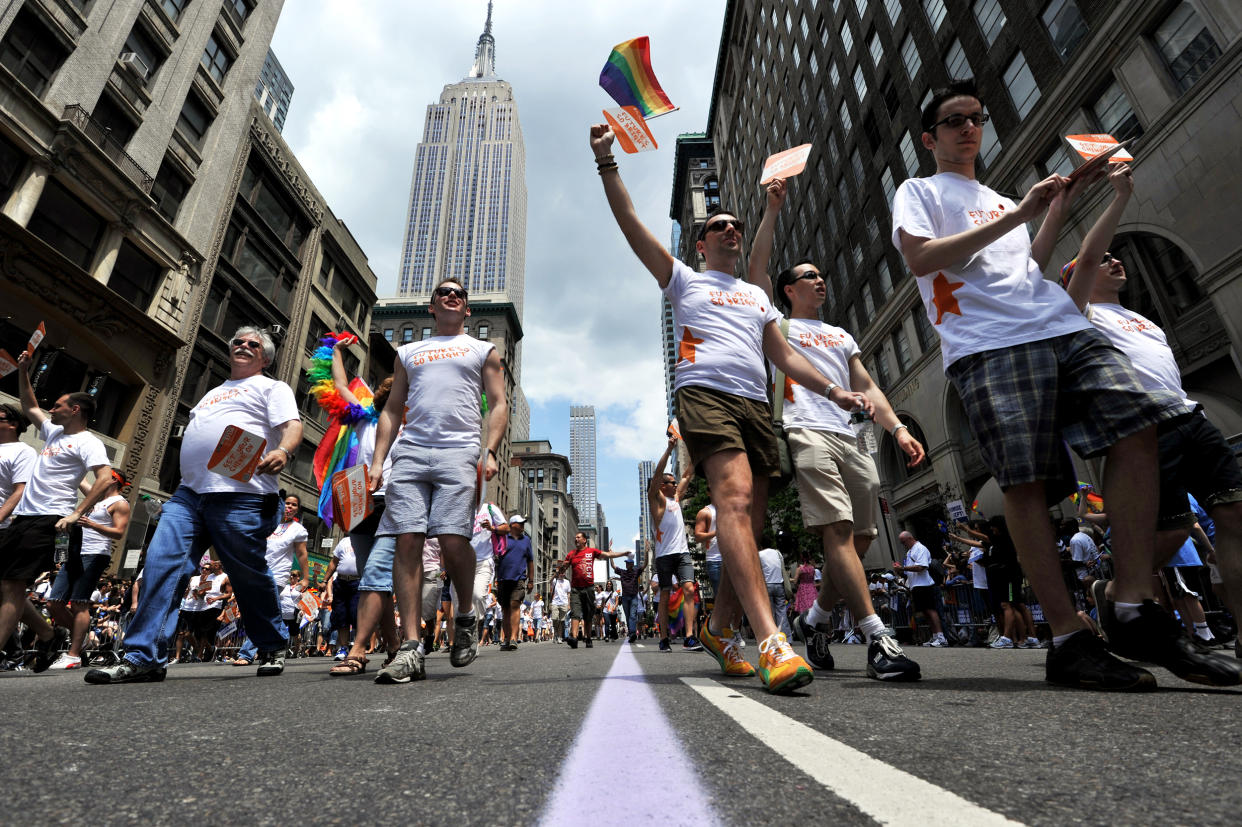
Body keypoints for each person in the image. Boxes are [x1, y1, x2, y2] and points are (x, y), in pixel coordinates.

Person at [890, 78, 1228, 689]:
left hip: (1056, 323)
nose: (969, 127)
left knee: (1141, 417)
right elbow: (921, 260)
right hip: (989, 346)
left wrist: (1053, 212)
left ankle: (1131, 605)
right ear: (929, 138)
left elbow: (1028, 267)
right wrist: (1021, 212)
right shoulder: (919, 191)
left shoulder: (995, 197)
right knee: (1027, 483)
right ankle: (1069, 638)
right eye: (954, 121)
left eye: (976, 117)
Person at [591, 122, 861, 693]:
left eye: (736, 224)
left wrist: (833, 389)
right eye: (720, 225)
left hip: (755, 407)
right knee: (733, 503)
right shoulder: (684, 279)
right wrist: (606, 163)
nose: (731, 229)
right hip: (704, 398)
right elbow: (629, 225)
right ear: (700, 242)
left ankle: (718, 630)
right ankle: (771, 641)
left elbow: (784, 356)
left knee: (751, 525)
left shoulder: (758, 296)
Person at [1061, 164, 1242, 676]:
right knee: (1172, 529)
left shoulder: (1144, 319)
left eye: (1116, 258)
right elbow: (1091, 252)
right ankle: (1118, 594)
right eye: (1100, 261)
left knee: (1234, 517)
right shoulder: (1077, 313)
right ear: (1074, 279)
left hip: (1191, 416)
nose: (1112, 261)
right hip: (1142, 430)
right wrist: (1117, 199)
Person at [749, 179, 924, 681]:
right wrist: (772, 209)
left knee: (861, 538)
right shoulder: (778, 324)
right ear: (788, 290)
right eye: (810, 277)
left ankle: (818, 618)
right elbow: (757, 269)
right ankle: (877, 637)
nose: (821, 282)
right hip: (806, 430)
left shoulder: (842, 333)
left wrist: (896, 431)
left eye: (823, 277)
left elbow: (866, 385)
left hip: (853, 435)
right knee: (840, 532)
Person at [86, 326, 302, 683]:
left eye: (254, 344)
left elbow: (292, 427)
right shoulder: (213, 393)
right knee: (161, 564)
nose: (244, 346)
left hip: (243, 497)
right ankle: (144, 656)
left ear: (265, 358)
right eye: (238, 342)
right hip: (189, 494)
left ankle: (272, 643)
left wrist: (282, 449)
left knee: (247, 573)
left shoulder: (272, 388)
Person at [370, 279, 508, 684]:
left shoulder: (482, 349)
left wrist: (491, 450)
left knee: (452, 541)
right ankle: (412, 647)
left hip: (459, 452)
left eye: (459, 294)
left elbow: (499, 402)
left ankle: (465, 612)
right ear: (432, 307)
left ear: (466, 310)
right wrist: (379, 460)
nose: (452, 296)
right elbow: (393, 409)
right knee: (408, 539)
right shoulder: (408, 352)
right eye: (443, 293)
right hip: (410, 453)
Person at [1, 354, 115, 673]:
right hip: (23, 519)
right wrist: (24, 371)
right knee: (6, 585)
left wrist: (78, 512)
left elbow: (104, 478)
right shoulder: (53, 433)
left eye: (59, 405)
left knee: (13, 585)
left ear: (75, 410)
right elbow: (30, 405)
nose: (52, 408)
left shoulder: (87, 442)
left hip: (51, 518)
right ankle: (49, 634)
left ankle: (46, 640)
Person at [312, 333, 400, 676]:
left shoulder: (415, 427)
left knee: (375, 574)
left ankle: (359, 648)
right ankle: (393, 647)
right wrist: (333, 351)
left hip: (394, 505)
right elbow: (339, 384)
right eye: (391, 394)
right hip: (360, 503)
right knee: (374, 578)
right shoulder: (364, 419)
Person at [46, 471, 131, 670]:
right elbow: (80, 480)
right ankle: (82, 637)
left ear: (112, 481)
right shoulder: (97, 498)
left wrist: (92, 524)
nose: (97, 479)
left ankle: (73, 655)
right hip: (75, 552)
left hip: (95, 553)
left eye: (102, 476)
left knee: (79, 602)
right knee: (54, 603)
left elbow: (119, 533)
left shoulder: (120, 503)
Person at [235, 493, 309, 667]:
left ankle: (247, 653)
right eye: (287, 504)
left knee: (263, 611)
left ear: (297, 509)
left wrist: (306, 578)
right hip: (256, 572)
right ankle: (277, 641)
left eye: (294, 505)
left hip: (278, 575)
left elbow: (302, 554)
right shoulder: (267, 522)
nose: (289, 507)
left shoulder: (297, 529)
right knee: (263, 613)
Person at [648, 438, 701, 652]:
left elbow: (688, 474)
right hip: (664, 556)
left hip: (683, 554)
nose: (676, 485)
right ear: (663, 486)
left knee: (689, 589)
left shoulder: (676, 499)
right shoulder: (657, 500)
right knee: (665, 594)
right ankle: (663, 638)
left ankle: (689, 636)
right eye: (672, 483)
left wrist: (699, 451)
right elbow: (656, 477)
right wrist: (669, 448)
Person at [553, 532, 628, 649]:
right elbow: (562, 569)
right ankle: (574, 637)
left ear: (584, 540)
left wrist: (623, 554)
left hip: (588, 589)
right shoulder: (571, 554)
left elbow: (607, 554)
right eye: (575, 537)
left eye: (578, 537)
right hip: (575, 589)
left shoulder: (592, 551)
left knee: (588, 615)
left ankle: (588, 638)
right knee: (575, 613)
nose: (576, 539)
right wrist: (562, 567)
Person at [894, 532, 946, 647]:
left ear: (910, 538)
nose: (903, 545)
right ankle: (935, 636)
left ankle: (941, 636)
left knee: (930, 610)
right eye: (901, 543)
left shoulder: (920, 548)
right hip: (916, 586)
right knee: (925, 612)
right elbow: (908, 574)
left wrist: (903, 567)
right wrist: (900, 571)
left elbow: (921, 567)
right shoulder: (909, 552)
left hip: (925, 585)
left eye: (904, 542)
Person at [495, 515, 534, 651]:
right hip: (502, 579)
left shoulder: (526, 541)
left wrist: (531, 580)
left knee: (515, 605)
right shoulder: (502, 538)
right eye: (520, 523)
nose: (523, 525)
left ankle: (513, 638)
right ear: (512, 525)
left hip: (519, 579)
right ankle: (506, 639)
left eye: (523, 523)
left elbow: (530, 561)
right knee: (505, 609)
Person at [323, 535, 361, 660]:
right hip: (341, 582)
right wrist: (325, 580)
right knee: (341, 615)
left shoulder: (366, 539)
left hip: (358, 582)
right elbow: (334, 562)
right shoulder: (344, 541)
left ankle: (358, 647)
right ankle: (343, 648)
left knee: (357, 615)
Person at [693, 501, 723, 598]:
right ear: (709, 492)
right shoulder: (705, 512)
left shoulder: (732, 507)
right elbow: (698, 536)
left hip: (733, 559)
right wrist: (717, 532)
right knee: (721, 598)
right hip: (715, 560)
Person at [615, 552, 646, 644]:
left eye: (629, 563)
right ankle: (631, 633)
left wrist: (647, 552)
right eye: (626, 563)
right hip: (624, 597)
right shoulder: (622, 572)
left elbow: (645, 565)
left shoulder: (636, 571)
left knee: (632, 616)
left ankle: (632, 633)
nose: (627, 564)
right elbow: (613, 566)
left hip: (633, 597)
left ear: (632, 564)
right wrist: (610, 555)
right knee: (628, 616)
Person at [550, 570, 570, 643]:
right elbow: (550, 581)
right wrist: (555, 574)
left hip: (564, 603)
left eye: (563, 573)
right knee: (555, 619)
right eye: (561, 573)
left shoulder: (567, 582)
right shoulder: (555, 581)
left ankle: (559, 637)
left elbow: (568, 593)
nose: (562, 574)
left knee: (562, 621)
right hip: (555, 602)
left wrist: (569, 604)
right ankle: (555, 633)